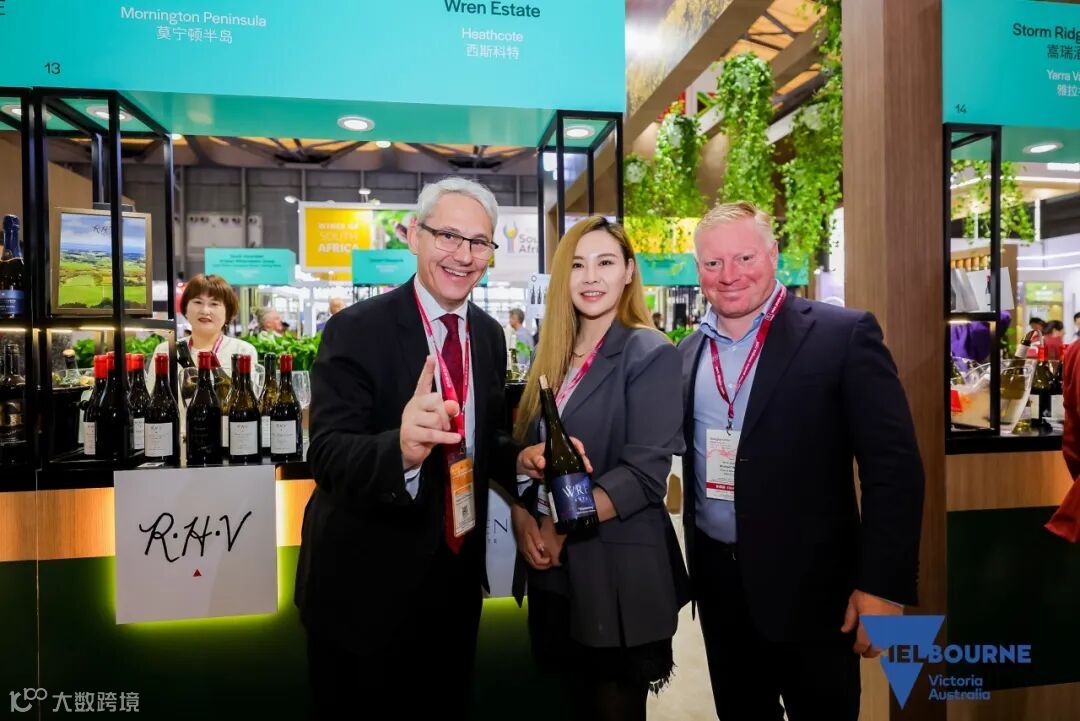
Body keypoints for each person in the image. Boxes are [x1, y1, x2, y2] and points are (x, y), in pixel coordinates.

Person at [296, 178, 547, 719]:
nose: (463, 255)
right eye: (447, 236)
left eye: (479, 242)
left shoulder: (487, 335)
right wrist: (402, 451)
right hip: (364, 591)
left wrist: (517, 459)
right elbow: (328, 454)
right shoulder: (355, 330)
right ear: (414, 236)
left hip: (454, 587)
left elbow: (480, 437)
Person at [678, 202, 924, 721]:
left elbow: (894, 468)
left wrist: (882, 586)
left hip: (817, 596)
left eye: (744, 257)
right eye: (713, 263)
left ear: (773, 255)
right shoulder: (687, 353)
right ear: (698, 269)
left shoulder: (843, 335)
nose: (729, 275)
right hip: (721, 591)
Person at [510, 216, 689, 721]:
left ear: (629, 272)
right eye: (578, 265)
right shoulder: (551, 354)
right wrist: (523, 514)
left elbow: (644, 477)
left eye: (605, 262)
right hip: (552, 571)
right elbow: (526, 450)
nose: (591, 277)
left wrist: (558, 527)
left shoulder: (649, 352)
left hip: (615, 570)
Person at [149, 273, 257, 384]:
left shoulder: (243, 352)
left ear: (228, 313)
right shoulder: (165, 351)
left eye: (214, 304)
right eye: (198, 302)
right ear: (185, 309)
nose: (205, 311)